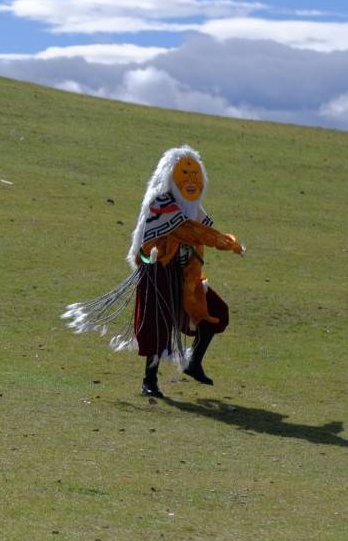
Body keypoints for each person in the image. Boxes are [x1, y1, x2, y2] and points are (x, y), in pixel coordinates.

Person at [63, 146, 244, 398]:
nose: (191, 179)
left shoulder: (190, 205)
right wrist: (225, 242)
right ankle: (150, 380)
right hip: (158, 270)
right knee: (158, 324)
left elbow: (202, 224)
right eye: (185, 173)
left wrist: (227, 240)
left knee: (215, 311)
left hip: (184, 273)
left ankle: (193, 362)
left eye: (195, 174)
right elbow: (189, 230)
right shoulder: (161, 202)